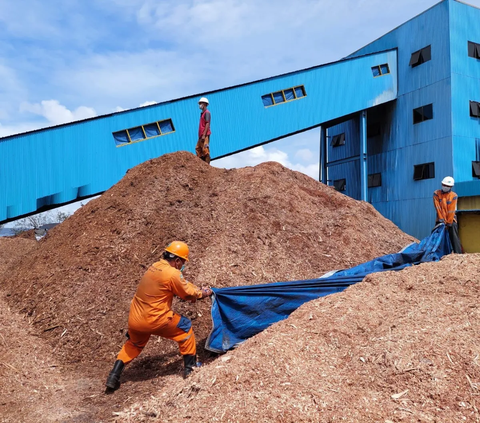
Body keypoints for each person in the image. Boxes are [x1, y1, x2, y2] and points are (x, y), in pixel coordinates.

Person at [105, 241, 213, 391]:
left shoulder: (154, 267)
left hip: (135, 319)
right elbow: (187, 293)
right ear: (177, 261)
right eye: (182, 262)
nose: (182, 265)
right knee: (185, 327)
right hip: (155, 319)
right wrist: (204, 292)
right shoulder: (172, 273)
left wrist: (196, 288)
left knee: (134, 344)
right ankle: (190, 368)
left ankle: (114, 375)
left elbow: (183, 284)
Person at [433, 176, 463, 254]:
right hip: (440, 219)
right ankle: (438, 254)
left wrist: (448, 223)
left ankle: (458, 254)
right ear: (442, 184)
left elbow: (451, 210)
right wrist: (441, 220)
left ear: (451, 187)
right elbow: (438, 207)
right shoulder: (436, 193)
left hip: (451, 220)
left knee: (454, 237)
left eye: (448, 186)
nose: (445, 187)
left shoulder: (454, 195)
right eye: (444, 185)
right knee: (437, 237)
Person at [196, 97, 211, 164]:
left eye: (201, 103)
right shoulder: (202, 113)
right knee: (198, 149)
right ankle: (202, 164)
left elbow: (207, 123)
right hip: (201, 135)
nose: (200, 105)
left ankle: (207, 166)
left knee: (205, 150)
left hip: (204, 135)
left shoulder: (207, 113)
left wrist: (204, 135)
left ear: (204, 104)